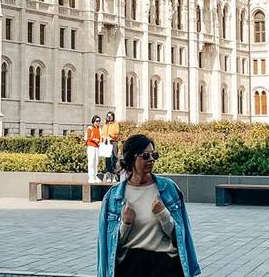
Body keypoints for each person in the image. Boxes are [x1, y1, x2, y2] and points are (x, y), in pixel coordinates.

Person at [97, 134, 200, 277]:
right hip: (130, 267)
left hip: (165, 265)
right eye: (145, 155)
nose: (151, 159)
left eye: (154, 155)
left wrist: (163, 215)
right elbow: (108, 244)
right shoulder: (113, 197)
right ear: (132, 158)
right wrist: (126, 223)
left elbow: (181, 236)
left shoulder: (169, 189)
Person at [100, 112, 120, 183]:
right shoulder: (105, 125)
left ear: (113, 117)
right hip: (106, 142)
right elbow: (102, 133)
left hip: (113, 142)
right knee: (107, 158)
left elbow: (116, 133)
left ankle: (114, 174)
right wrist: (103, 137)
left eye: (110, 116)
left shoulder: (115, 124)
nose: (109, 118)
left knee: (114, 157)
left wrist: (110, 135)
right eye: (108, 116)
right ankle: (109, 173)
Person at [84, 116, 102, 184]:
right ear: (93, 121)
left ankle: (95, 176)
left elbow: (100, 138)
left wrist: (99, 141)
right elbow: (88, 138)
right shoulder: (90, 128)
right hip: (91, 146)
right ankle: (91, 177)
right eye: (96, 121)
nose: (98, 122)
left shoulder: (99, 129)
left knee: (96, 161)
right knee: (91, 161)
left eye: (99, 121)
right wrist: (95, 140)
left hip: (97, 147)